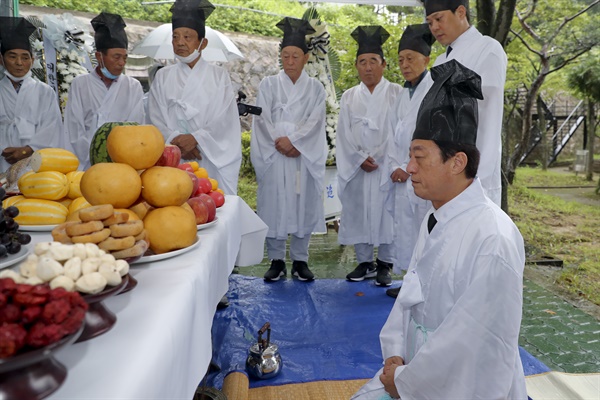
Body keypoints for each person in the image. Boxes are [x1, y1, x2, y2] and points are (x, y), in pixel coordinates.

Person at [351, 60, 527, 400]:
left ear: (457, 162)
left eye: (420, 157)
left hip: (462, 385)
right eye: (409, 156)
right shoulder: (437, 218)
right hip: (414, 371)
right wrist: (395, 355)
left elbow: (474, 339)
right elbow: (409, 298)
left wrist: (405, 381)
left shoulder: (493, 238)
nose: (410, 168)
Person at [251, 17, 326, 282]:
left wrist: (295, 142)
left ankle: (300, 260)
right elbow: (261, 119)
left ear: (306, 57)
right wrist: (280, 141)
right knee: (274, 203)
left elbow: (316, 121)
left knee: (301, 202)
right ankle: (276, 260)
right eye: (285, 55)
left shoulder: (316, 88)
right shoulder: (269, 85)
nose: (290, 60)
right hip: (275, 153)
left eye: (295, 55)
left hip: (300, 156)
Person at [148, 0, 241, 195]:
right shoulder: (163, 76)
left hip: (208, 157)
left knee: (210, 204)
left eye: (187, 37)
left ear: (202, 43)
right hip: (173, 155)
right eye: (175, 37)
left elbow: (225, 120)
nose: (180, 42)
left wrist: (196, 139)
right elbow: (153, 117)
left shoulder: (218, 76)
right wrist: (176, 141)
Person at [337, 26, 401, 287]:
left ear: (383, 64)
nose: (367, 67)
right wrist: (358, 158)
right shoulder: (349, 96)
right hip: (358, 165)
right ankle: (365, 261)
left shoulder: (397, 93)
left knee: (387, 212)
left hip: (386, 165)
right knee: (358, 209)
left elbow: (400, 131)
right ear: (356, 66)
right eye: (362, 62)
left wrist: (379, 156)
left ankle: (385, 263)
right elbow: (342, 133)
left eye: (373, 61)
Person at [426, 0, 507, 206]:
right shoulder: (439, 62)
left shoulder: (488, 49)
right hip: (442, 167)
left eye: (438, 19)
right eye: (429, 22)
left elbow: (487, 110)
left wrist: (478, 172)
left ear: (461, 12)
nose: (434, 27)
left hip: (474, 166)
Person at [385, 24, 435, 298]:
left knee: (423, 226)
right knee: (405, 229)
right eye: (401, 59)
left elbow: (433, 135)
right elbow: (392, 136)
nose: (405, 65)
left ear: (426, 60)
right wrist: (395, 166)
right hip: (402, 174)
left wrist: (408, 166)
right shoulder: (402, 94)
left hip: (422, 172)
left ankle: (425, 283)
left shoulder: (434, 90)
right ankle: (408, 279)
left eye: (411, 59)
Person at [63, 12, 144, 170]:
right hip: (85, 162)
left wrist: (116, 154)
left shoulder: (133, 86)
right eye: (116, 57)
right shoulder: (80, 84)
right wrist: (95, 155)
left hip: (123, 163)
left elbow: (136, 127)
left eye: (125, 58)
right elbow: (73, 129)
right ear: (99, 56)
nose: (121, 63)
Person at [0, 17, 63, 173]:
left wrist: (27, 150)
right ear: (1, 59)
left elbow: (52, 128)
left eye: (25, 57)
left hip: (33, 162)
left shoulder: (44, 91)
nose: (19, 63)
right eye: (12, 56)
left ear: (33, 60)